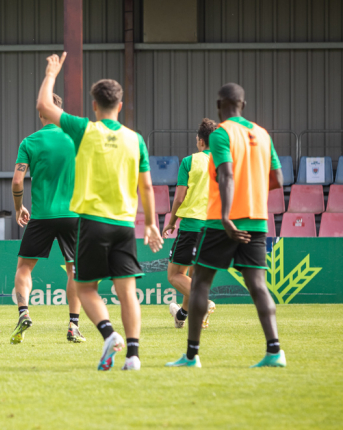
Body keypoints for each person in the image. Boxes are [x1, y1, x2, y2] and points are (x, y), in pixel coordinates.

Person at [36, 52, 164, 371]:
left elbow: (44, 107)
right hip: (124, 225)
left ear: (94, 105)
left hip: (92, 223)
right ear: (119, 106)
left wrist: (52, 72)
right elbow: (146, 187)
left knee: (85, 288)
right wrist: (151, 224)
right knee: (127, 291)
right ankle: (133, 356)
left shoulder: (84, 130)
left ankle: (108, 334)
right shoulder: (136, 140)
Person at [166, 83, 285, 368]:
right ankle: (275, 351)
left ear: (220, 106)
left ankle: (191, 356)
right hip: (257, 221)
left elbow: (227, 175)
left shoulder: (221, 134)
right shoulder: (263, 134)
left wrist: (227, 215)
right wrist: (251, 194)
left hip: (222, 222)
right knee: (258, 285)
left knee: (200, 287)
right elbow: (278, 179)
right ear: (243, 105)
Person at [9, 93, 85, 345]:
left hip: (42, 215)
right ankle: (73, 325)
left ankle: (24, 313)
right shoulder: (76, 138)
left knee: (24, 268)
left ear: (41, 113)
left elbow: (17, 181)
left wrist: (19, 207)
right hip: (73, 214)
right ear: (59, 111)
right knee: (74, 269)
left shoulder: (30, 142)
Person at [162, 118, 218, 329]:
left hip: (193, 226)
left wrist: (171, 221)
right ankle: (183, 315)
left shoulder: (189, 162)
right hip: (214, 229)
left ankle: (203, 303)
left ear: (200, 141)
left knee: (175, 275)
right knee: (194, 275)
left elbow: (179, 197)